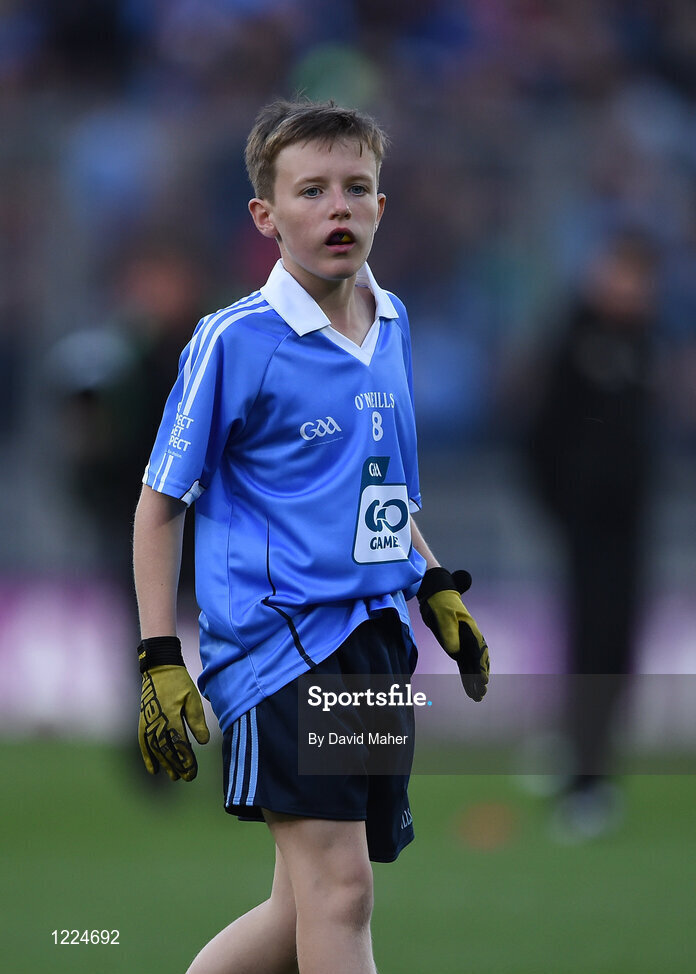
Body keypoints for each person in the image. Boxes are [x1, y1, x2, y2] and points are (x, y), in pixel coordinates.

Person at [133, 98, 490, 974]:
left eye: (356, 188)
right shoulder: (233, 342)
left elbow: (384, 491)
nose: (337, 207)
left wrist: (432, 584)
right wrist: (158, 655)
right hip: (285, 644)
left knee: (305, 901)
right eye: (312, 190)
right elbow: (158, 505)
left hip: (373, 638)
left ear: (380, 205)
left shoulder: (393, 323)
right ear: (266, 215)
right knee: (341, 893)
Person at [527, 230, 656, 840]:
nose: (629, 287)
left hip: (631, 527)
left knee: (616, 648)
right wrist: (561, 508)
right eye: (621, 272)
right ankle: (586, 780)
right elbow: (537, 434)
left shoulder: (644, 342)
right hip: (586, 528)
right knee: (594, 646)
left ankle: (590, 763)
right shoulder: (573, 339)